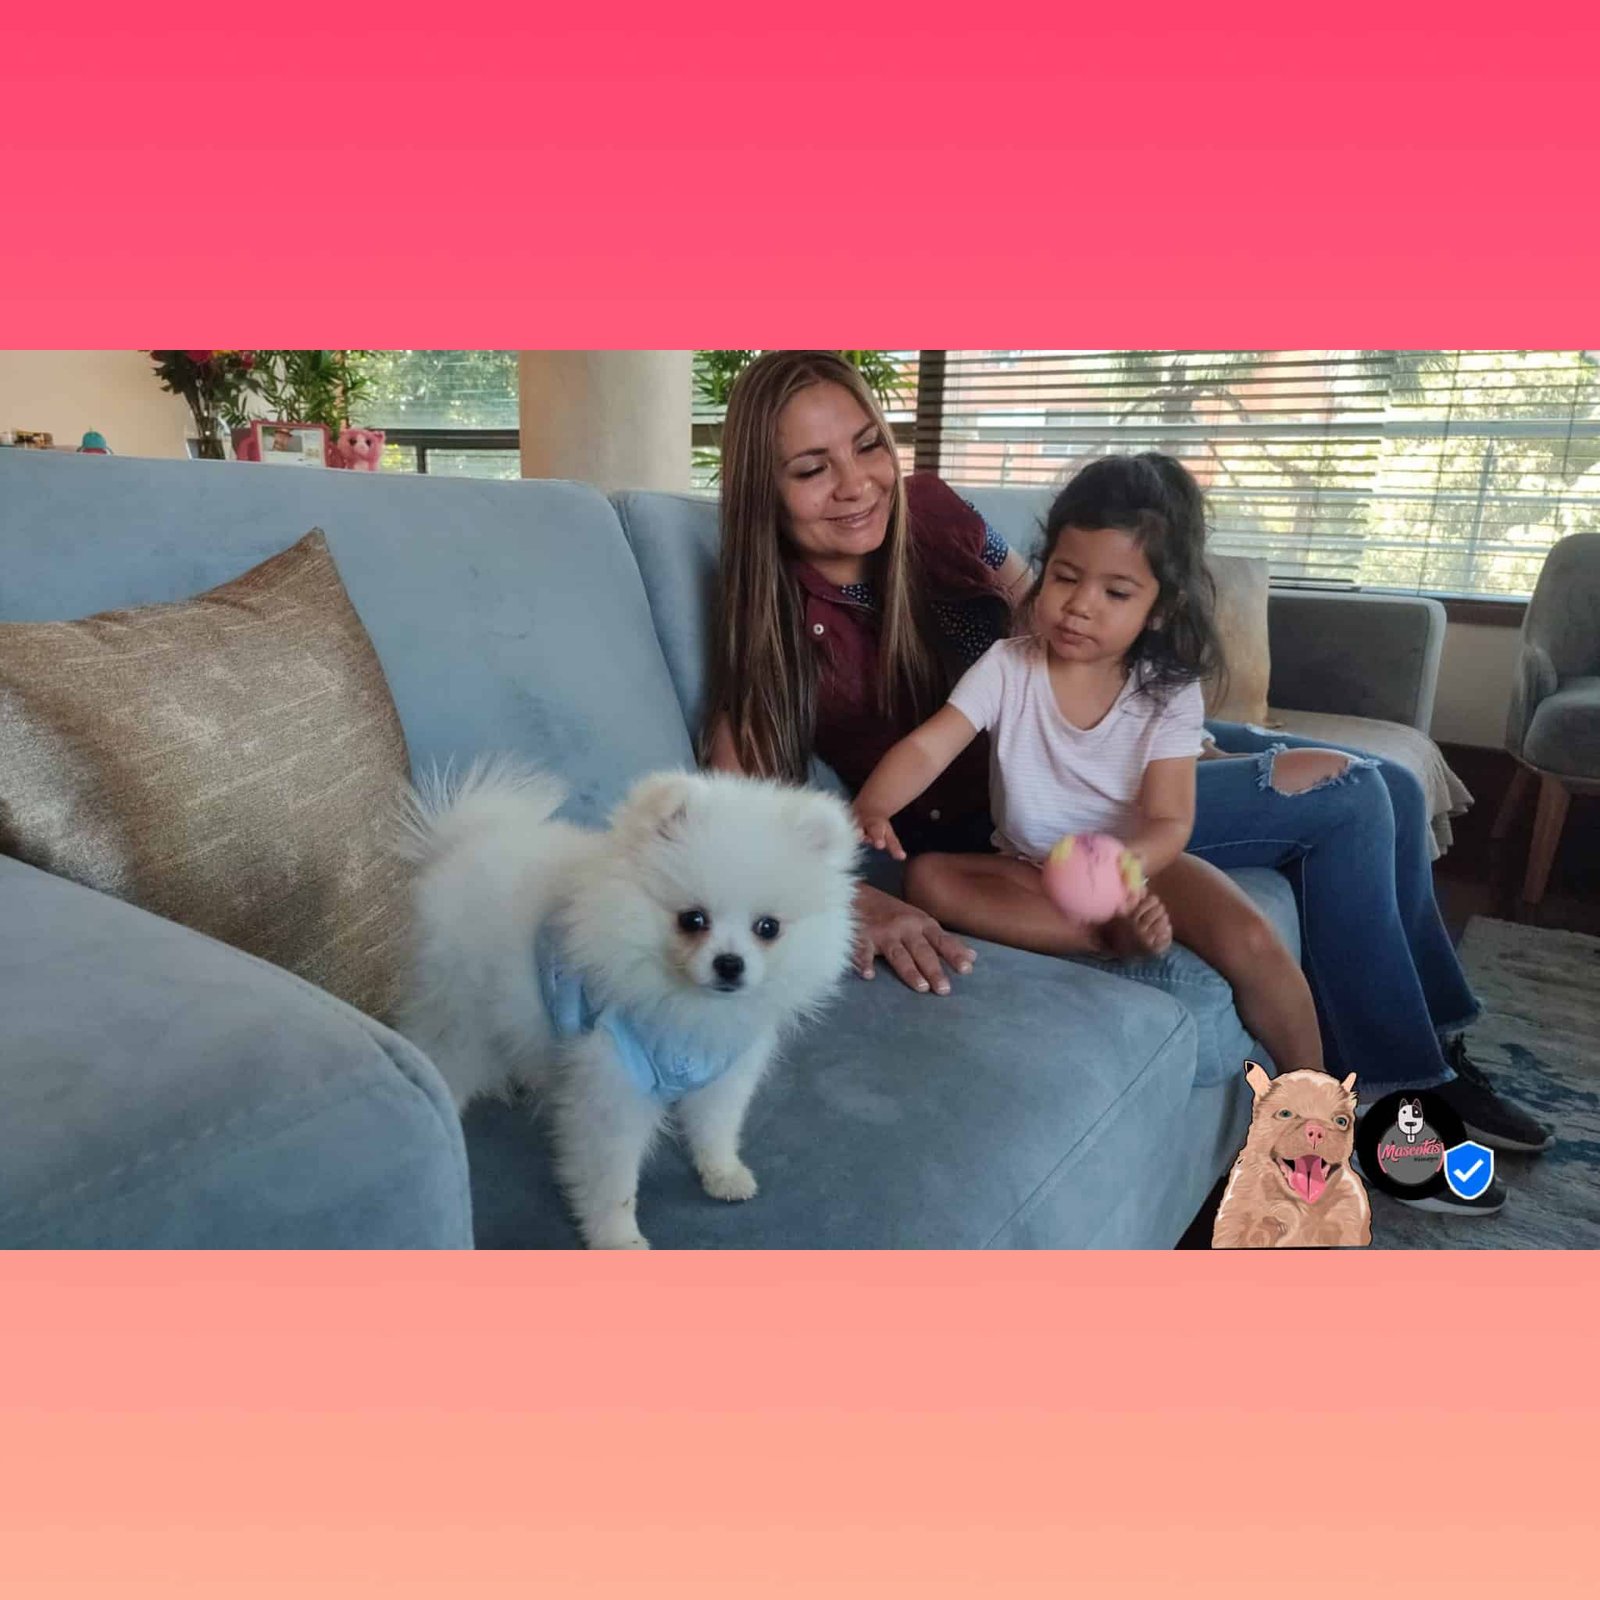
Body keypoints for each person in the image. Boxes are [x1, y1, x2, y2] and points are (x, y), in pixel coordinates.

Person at [700, 351, 1552, 1215]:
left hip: (1107, 733)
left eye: (866, 445)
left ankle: (1435, 1049)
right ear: (763, 489)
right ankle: (1399, 1094)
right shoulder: (776, 631)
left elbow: (1049, 602)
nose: (857, 485)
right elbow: (738, 819)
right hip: (1027, 811)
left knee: (1389, 785)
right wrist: (855, 900)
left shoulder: (936, 511)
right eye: (811, 469)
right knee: (1355, 800)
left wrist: (1183, 742)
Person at [850, 452, 1327, 1082]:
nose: (1080, 605)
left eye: (1116, 592)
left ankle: (1316, 1104)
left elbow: (1169, 819)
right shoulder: (1007, 665)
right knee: (927, 879)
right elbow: (929, 747)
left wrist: (1118, 873)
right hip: (1028, 866)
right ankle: (1106, 937)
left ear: (1160, 607)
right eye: (1066, 577)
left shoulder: (1167, 691)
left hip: (1138, 870)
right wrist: (874, 805)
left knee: (1253, 940)